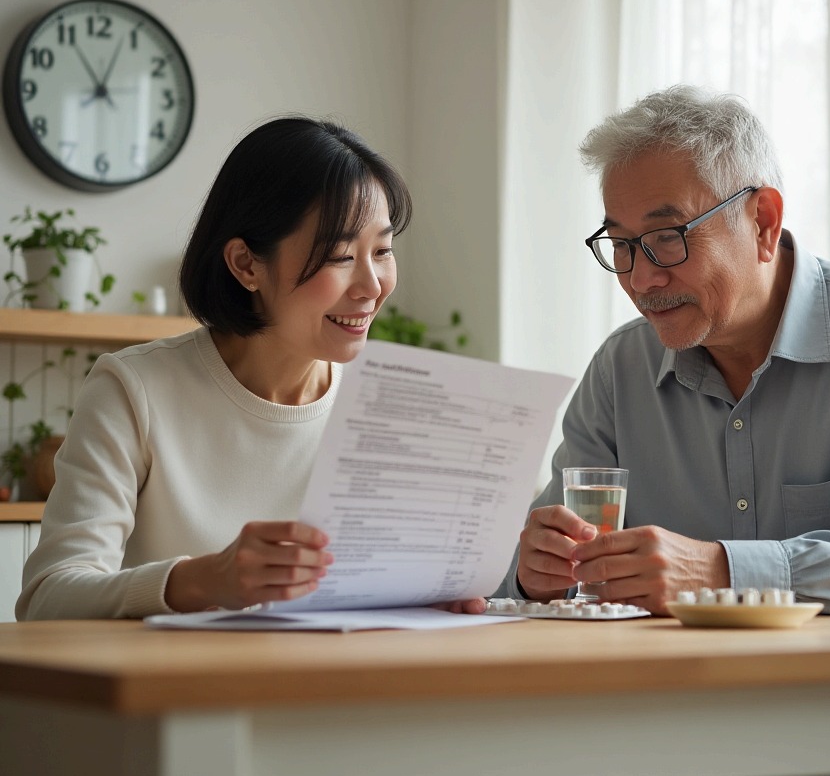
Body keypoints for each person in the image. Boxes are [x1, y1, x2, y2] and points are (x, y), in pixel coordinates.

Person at [482, 86, 830, 776]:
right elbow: (544, 571)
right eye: (621, 244)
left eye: (668, 237)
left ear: (762, 221)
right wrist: (538, 572)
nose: (641, 277)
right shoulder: (620, 370)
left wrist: (719, 569)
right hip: (693, 739)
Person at [17, 116, 485, 620]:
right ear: (245, 264)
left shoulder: (393, 401)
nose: (372, 285)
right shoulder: (134, 391)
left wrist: (432, 595)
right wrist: (202, 580)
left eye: (383, 251)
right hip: (182, 693)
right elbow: (47, 598)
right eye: (341, 254)